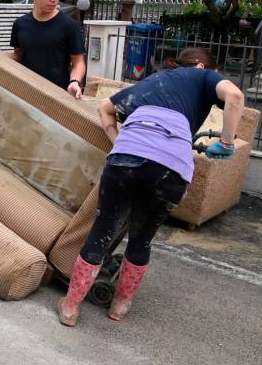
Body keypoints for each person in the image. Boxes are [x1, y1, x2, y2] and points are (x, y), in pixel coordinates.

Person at [56, 48, 245, 326]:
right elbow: (236, 96)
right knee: (141, 239)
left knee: (102, 230)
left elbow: (104, 108)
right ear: (203, 66)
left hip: (125, 159)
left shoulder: (151, 82)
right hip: (170, 169)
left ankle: (71, 307)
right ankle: (120, 306)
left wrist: (119, 142)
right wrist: (227, 142)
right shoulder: (203, 77)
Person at [10, 0, 85, 99]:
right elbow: (18, 55)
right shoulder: (20, 24)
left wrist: (74, 81)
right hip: (25, 94)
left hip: (57, 97)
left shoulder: (70, 26)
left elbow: (78, 62)